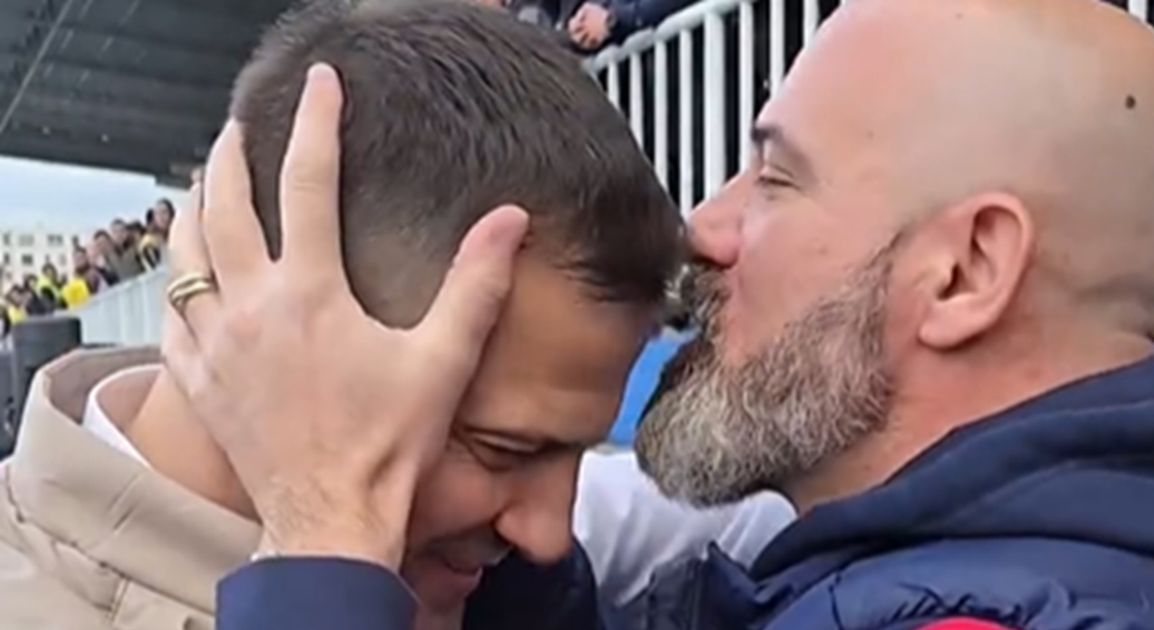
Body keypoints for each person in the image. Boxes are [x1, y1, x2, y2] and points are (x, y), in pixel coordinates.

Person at [161, 0, 1154, 629]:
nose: (705, 226)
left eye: (776, 179)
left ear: (965, 270)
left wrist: (325, 548)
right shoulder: (954, 568)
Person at [0, 3, 708, 629]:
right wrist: (328, 552)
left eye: (572, 453)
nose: (550, 533)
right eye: (502, 450)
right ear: (279, 326)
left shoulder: (489, 573)